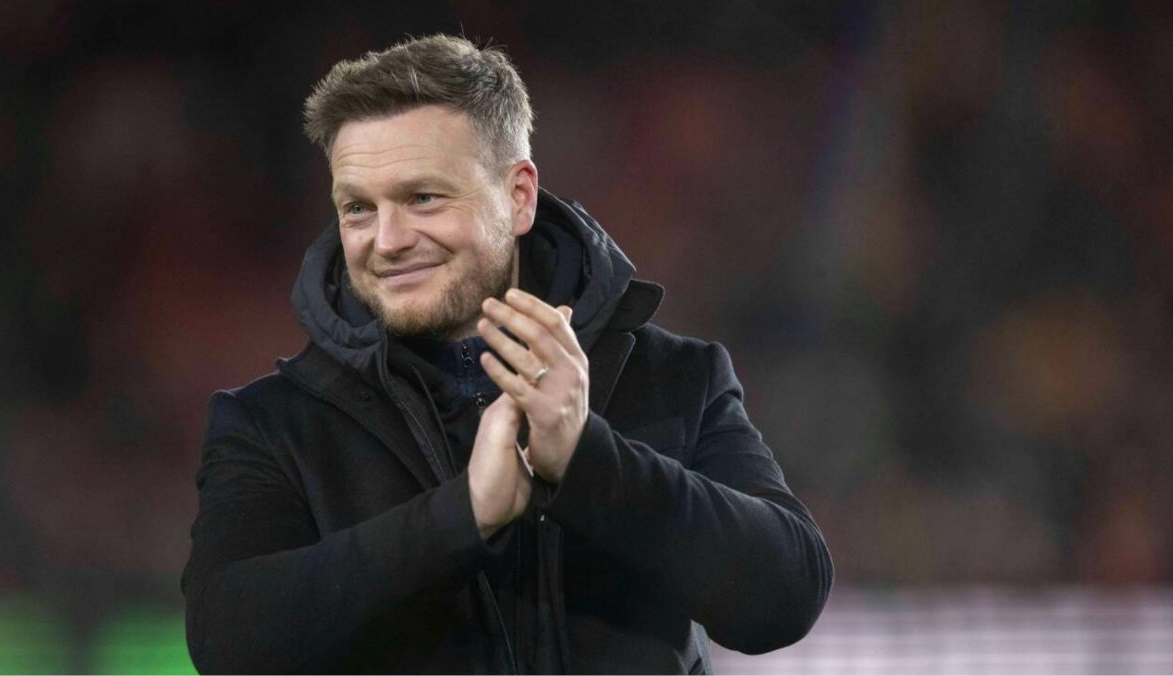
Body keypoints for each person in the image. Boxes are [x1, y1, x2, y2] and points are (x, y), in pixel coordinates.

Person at [181, 34, 832, 674]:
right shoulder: (274, 424)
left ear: (518, 196)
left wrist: (586, 460)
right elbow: (228, 644)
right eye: (357, 208)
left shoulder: (672, 378)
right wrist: (460, 517)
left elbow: (784, 598)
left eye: (422, 198)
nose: (387, 240)